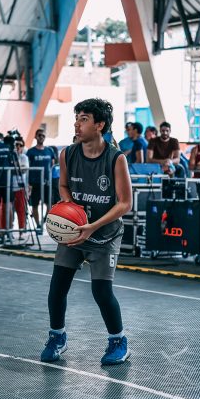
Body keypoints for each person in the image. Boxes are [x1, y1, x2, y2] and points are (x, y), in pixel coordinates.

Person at [40, 98, 133, 366]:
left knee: (101, 292)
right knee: (57, 288)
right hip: (74, 232)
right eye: (77, 118)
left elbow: (125, 203)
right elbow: (63, 186)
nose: (77, 124)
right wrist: (70, 209)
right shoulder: (67, 154)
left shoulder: (116, 159)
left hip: (104, 235)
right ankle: (57, 336)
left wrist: (92, 225)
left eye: (84, 119)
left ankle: (119, 341)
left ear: (99, 125)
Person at [26, 129, 56, 230]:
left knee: (49, 204)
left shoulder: (49, 150)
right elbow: (27, 167)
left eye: (43, 135)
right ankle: (38, 225)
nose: (41, 137)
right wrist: (29, 183)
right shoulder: (31, 151)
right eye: (39, 135)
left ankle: (43, 221)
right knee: (35, 204)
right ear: (35, 136)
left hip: (47, 182)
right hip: (35, 182)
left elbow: (52, 164)